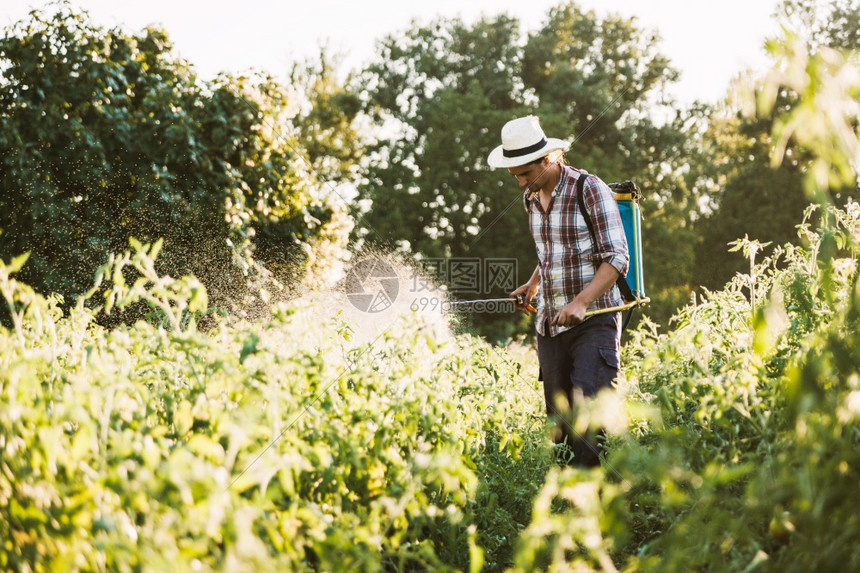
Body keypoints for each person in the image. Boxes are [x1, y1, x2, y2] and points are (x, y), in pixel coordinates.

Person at [487, 115, 629, 467]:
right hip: (550, 326)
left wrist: (582, 302)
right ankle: (566, 506)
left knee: (589, 415)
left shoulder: (588, 188)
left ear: (548, 159)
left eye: (525, 173)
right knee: (560, 428)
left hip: (593, 320)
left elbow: (617, 256)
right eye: (515, 176)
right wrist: (533, 284)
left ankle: (594, 509)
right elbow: (552, 250)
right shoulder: (532, 198)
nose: (520, 183)